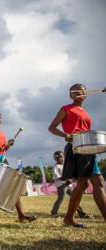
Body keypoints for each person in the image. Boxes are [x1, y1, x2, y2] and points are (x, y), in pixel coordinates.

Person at [48, 83, 106, 228]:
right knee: (97, 181)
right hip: (76, 148)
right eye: (75, 91)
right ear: (71, 95)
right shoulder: (66, 109)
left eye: (82, 90)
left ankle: (68, 219)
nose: (79, 92)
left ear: (86, 94)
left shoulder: (85, 112)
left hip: (87, 149)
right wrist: (65, 135)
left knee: (84, 183)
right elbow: (52, 127)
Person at [0, 112, 36, 223]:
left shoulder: (2, 134)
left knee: (11, 185)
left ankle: (21, 215)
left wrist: (9, 144)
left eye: (0, 117)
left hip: (2, 159)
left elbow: (4, 150)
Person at [50, 151, 90, 218]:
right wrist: (67, 179)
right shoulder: (55, 166)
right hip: (61, 185)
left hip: (69, 184)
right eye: (58, 157)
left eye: (61, 157)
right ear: (55, 158)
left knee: (75, 198)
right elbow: (56, 177)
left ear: (64, 157)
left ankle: (81, 213)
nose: (60, 159)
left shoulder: (66, 165)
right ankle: (53, 213)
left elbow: (71, 174)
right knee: (60, 198)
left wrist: (72, 179)